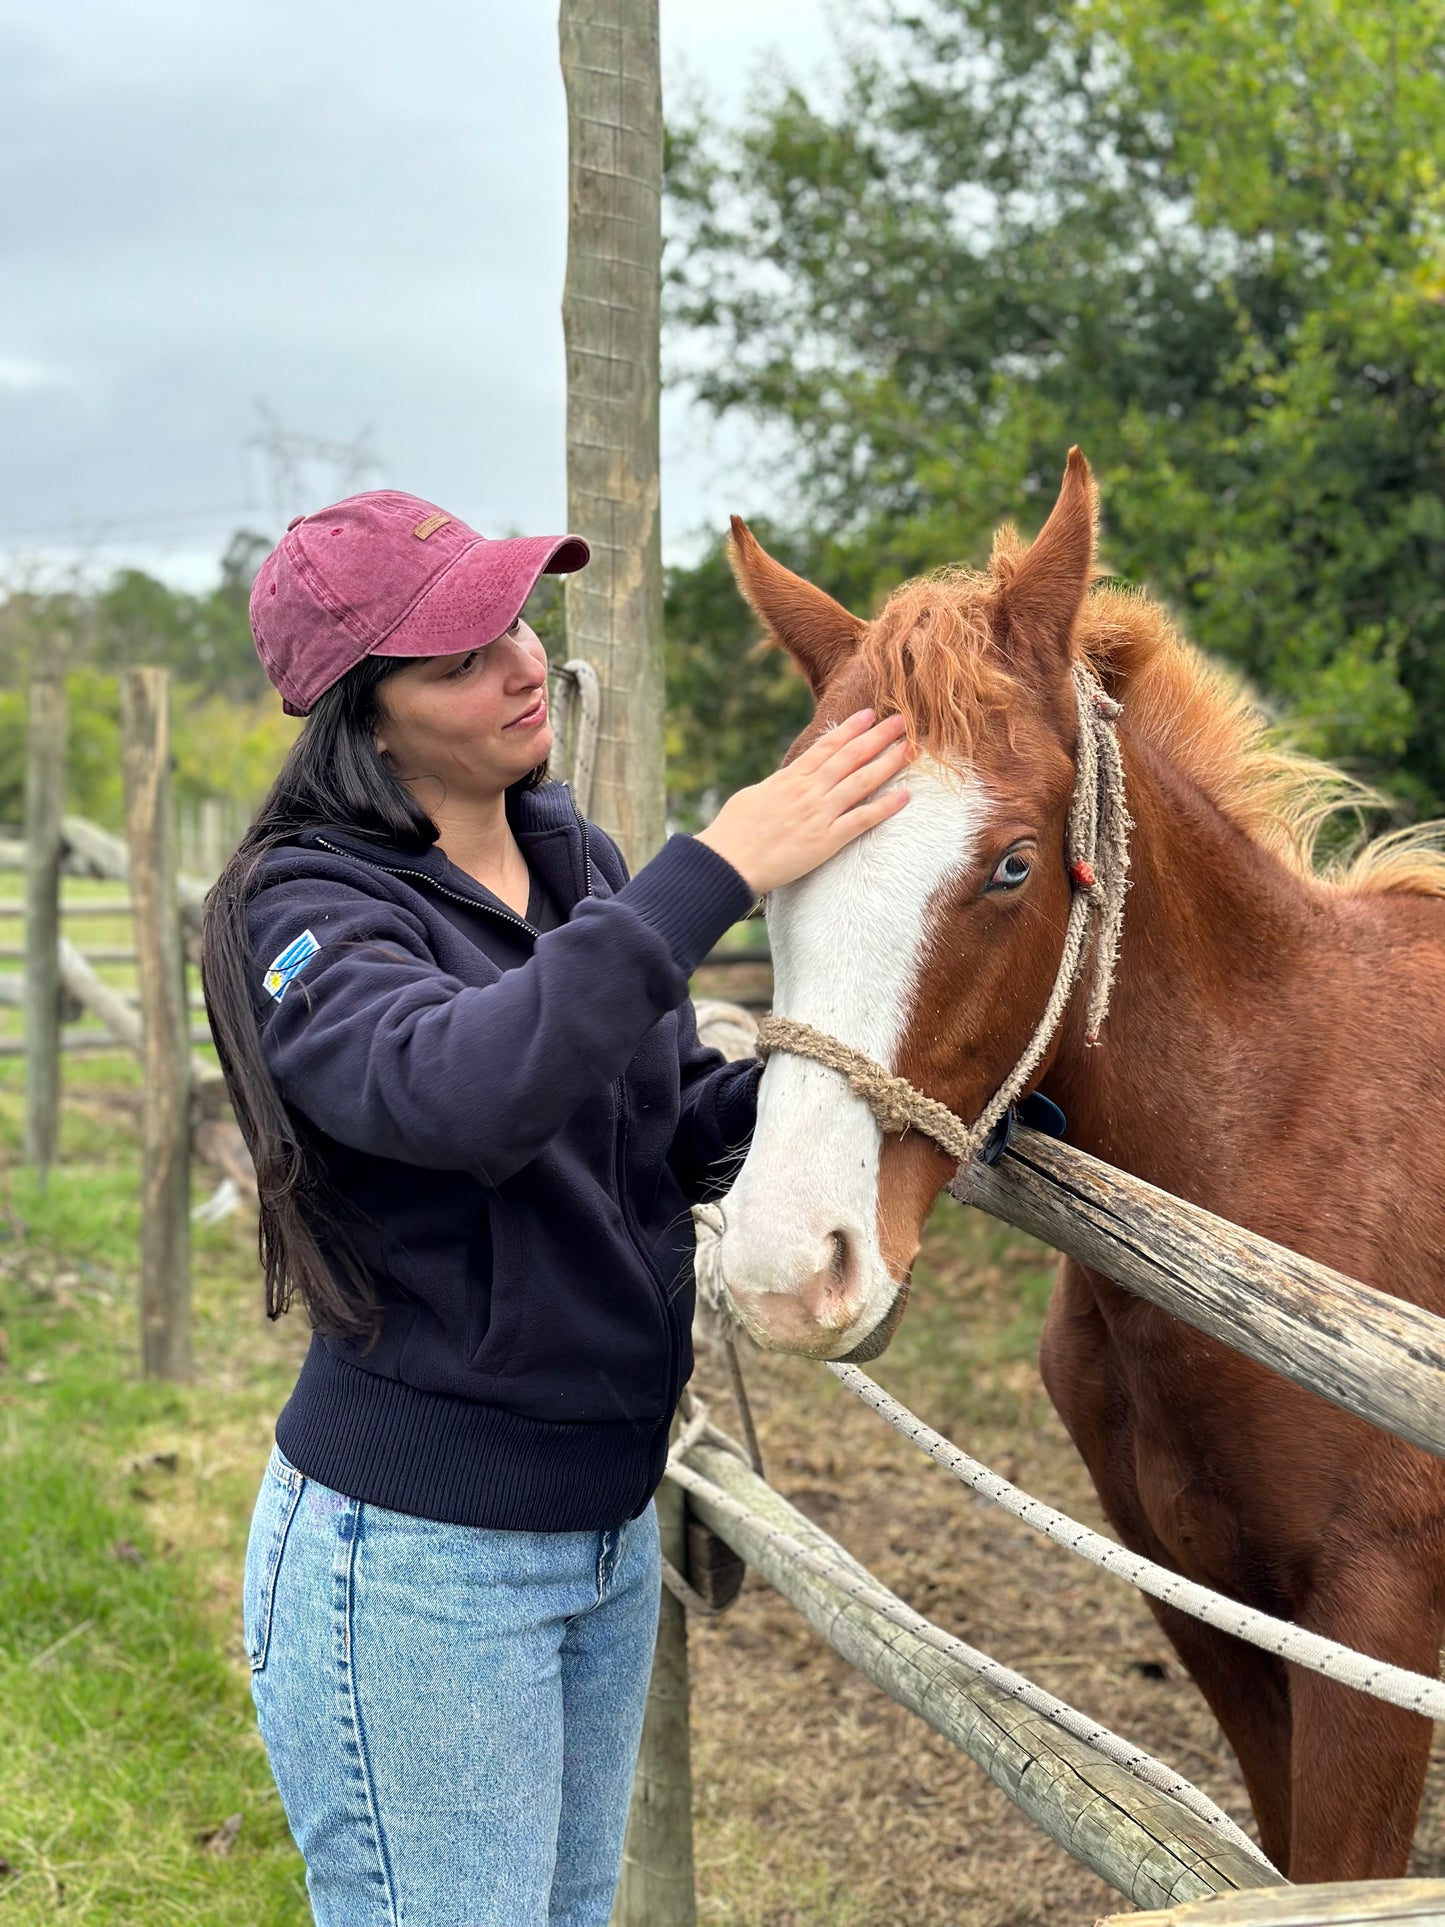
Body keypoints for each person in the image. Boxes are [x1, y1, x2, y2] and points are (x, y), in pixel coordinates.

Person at [200, 488, 910, 1927]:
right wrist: (711, 873)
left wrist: (898, 1094)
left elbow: (650, 1135)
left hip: (600, 1530)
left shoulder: (567, 860)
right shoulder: (308, 912)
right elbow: (459, 1094)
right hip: (418, 1555)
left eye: (514, 621)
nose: (522, 664)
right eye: (458, 657)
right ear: (362, 716)